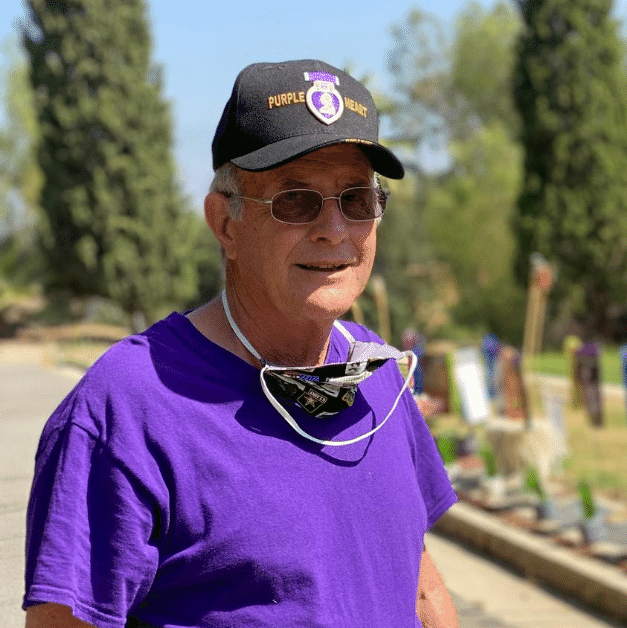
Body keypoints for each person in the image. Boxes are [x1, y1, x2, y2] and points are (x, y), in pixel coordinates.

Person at [23, 59, 460, 628]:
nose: (334, 229)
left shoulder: (378, 376)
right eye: (295, 200)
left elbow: (419, 582)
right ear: (224, 224)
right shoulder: (126, 408)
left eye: (356, 199)